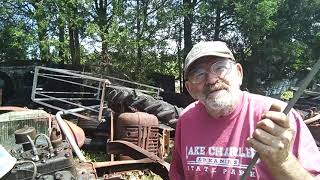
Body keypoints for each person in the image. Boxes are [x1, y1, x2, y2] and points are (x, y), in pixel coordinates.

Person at [169, 41, 320, 179]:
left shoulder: (279, 119)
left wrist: (283, 161)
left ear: (239, 73)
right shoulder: (186, 119)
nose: (211, 80)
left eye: (220, 68)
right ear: (190, 89)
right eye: (199, 74)